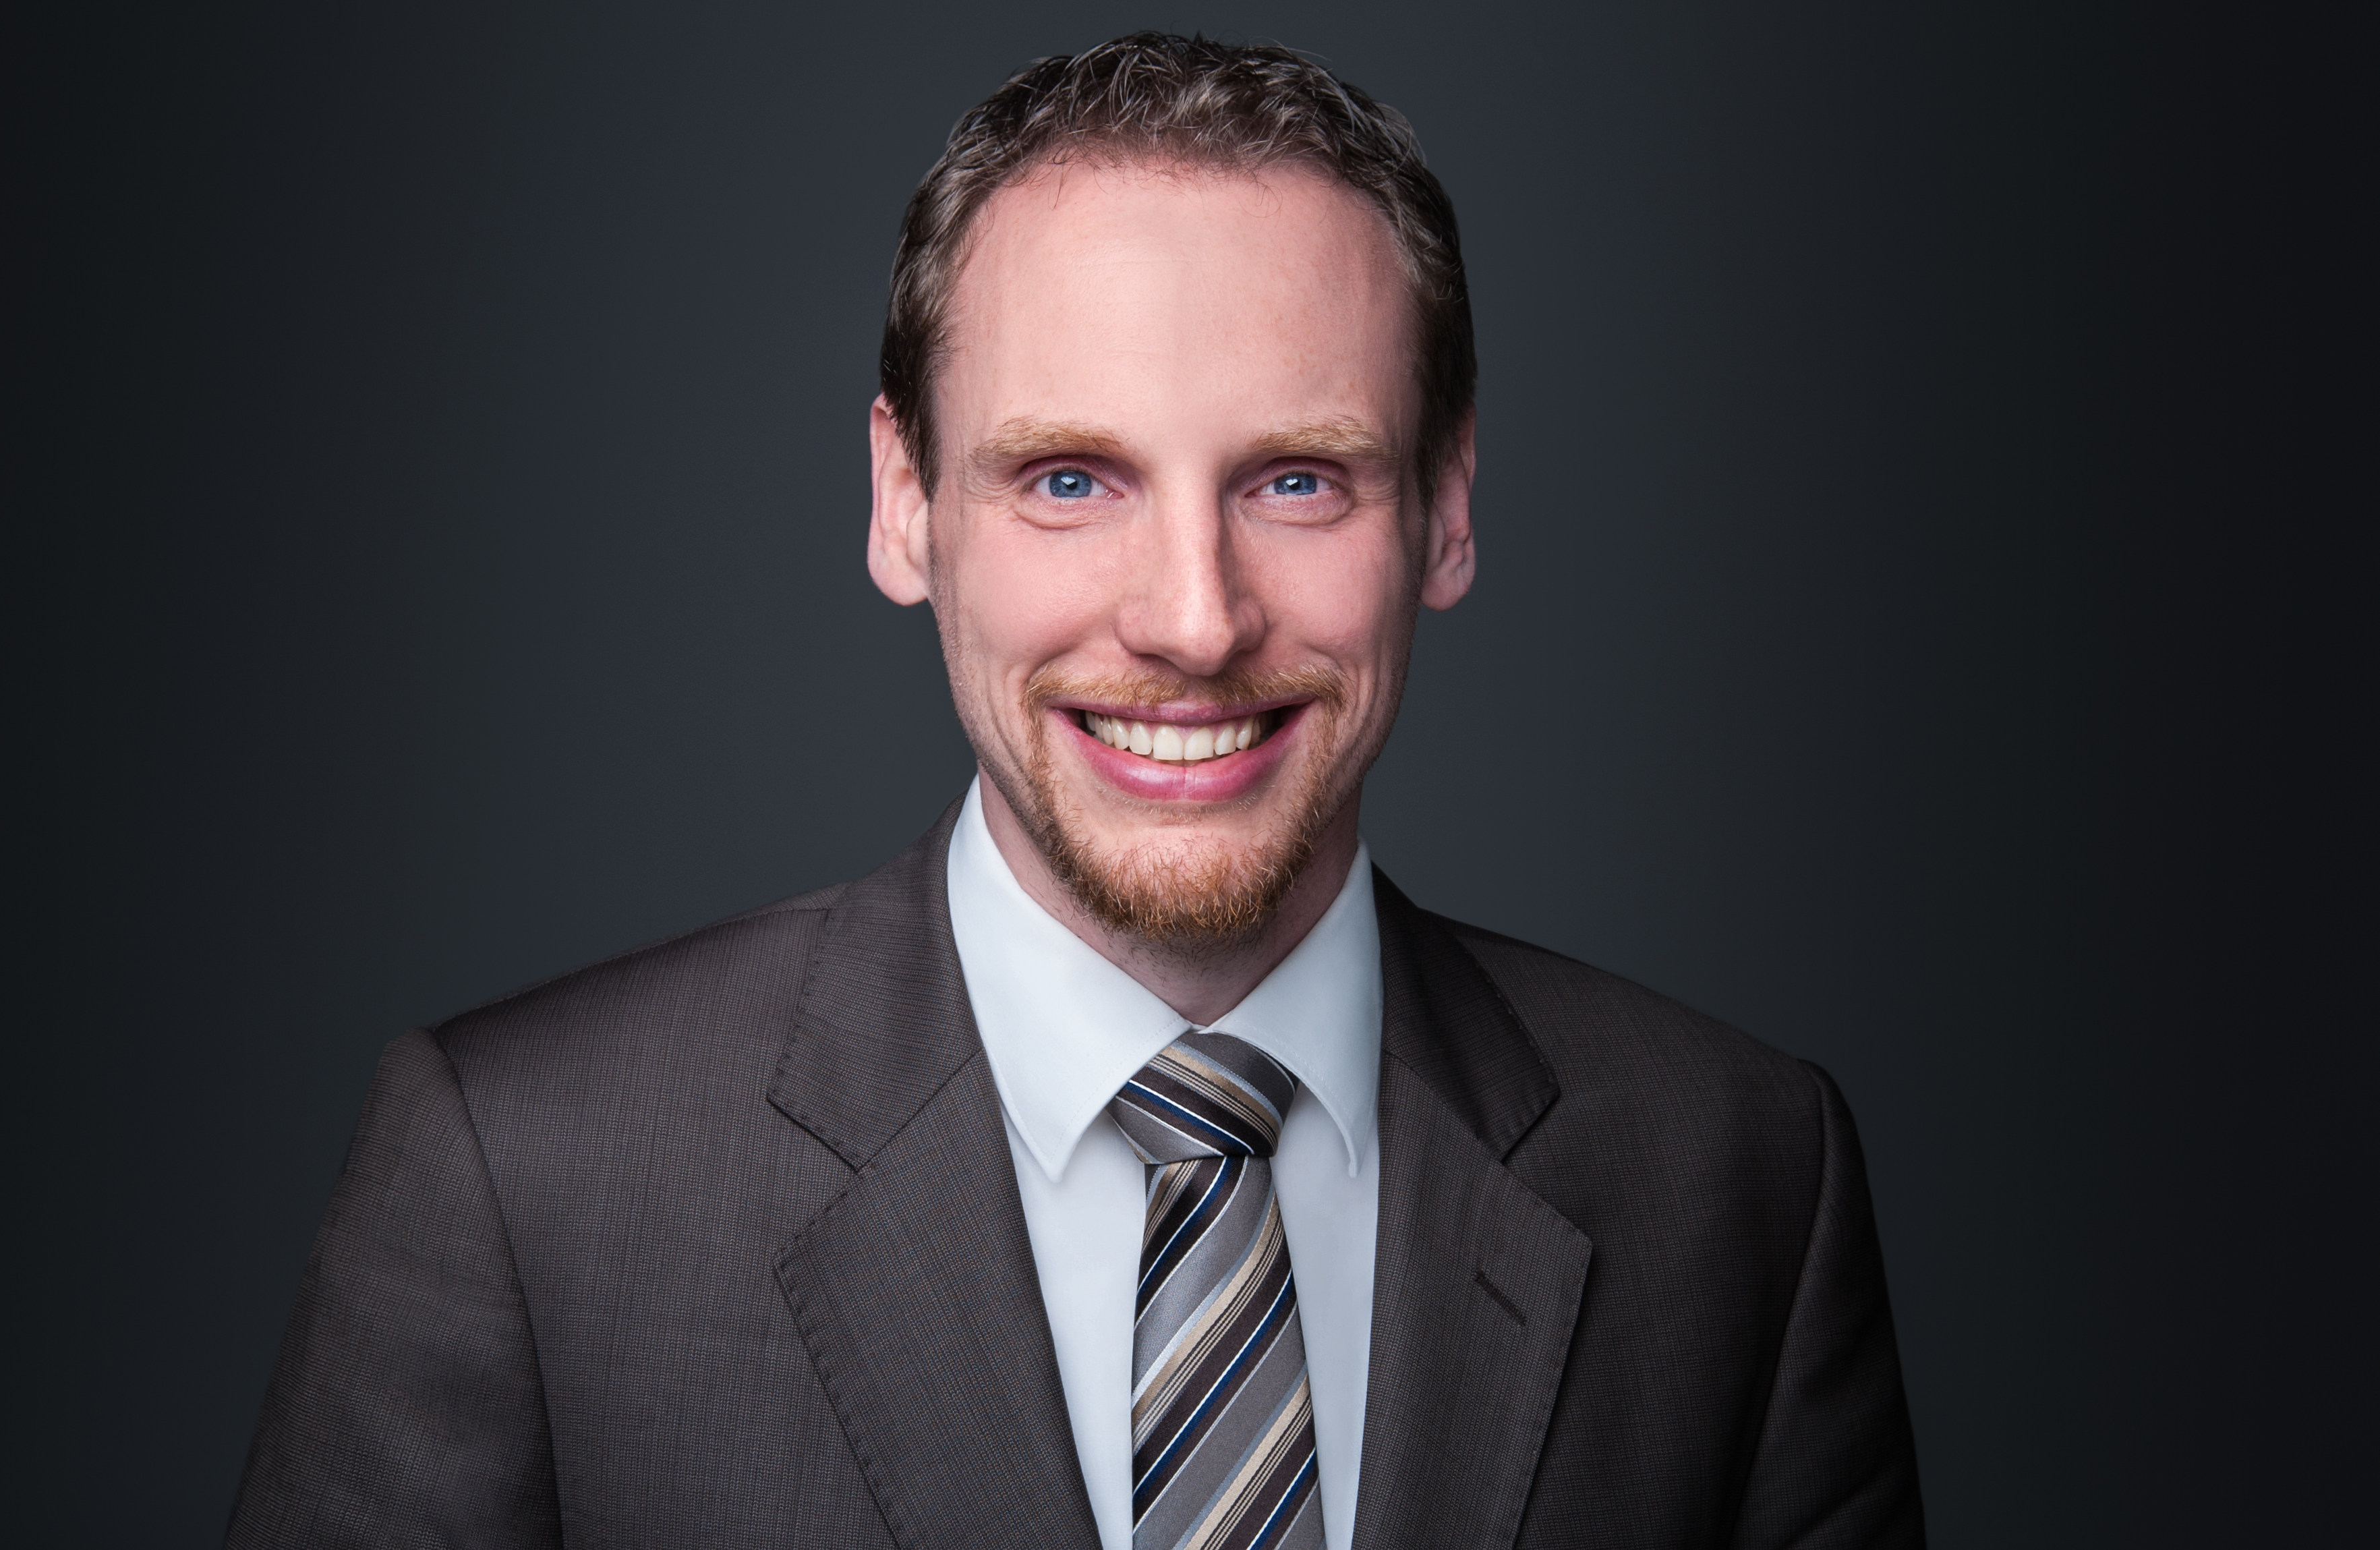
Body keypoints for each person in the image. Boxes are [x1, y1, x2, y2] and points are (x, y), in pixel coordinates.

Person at [227, 33, 1922, 1550]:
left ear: (1447, 509)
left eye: (1295, 479)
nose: (1192, 619)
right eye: (1066, 479)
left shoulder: (1736, 1182)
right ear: (904, 504)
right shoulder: (528, 1184)